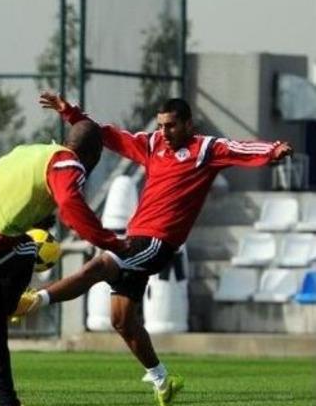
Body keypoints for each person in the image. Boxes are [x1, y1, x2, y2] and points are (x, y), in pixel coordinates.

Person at [18, 92, 294, 406]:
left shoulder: (205, 149)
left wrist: (273, 150)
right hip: (136, 239)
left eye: (171, 126)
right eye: (161, 125)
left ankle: (34, 300)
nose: (164, 132)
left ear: (189, 124)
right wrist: (71, 113)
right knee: (121, 320)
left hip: (158, 242)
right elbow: (107, 135)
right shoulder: (153, 145)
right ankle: (164, 381)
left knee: (98, 267)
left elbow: (240, 147)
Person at [0, 119, 124, 406]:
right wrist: (112, 243)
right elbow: (72, 209)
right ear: (94, 156)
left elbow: (7, 193)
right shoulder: (69, 163)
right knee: (29, 247)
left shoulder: (32, 151)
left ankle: (7, 401)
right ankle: (14, 302)